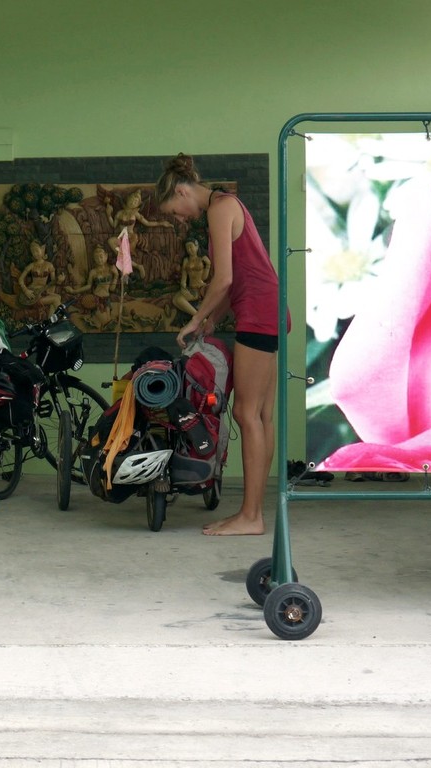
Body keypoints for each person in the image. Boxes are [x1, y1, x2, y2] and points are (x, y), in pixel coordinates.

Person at [155, 153, 283, 536]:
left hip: (258, 312)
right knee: (262, 415)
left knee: (246, 413)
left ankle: (251, 516)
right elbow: (237, 278)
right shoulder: (226, 204)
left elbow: (223, 278)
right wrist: (212, 320)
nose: (180, 219)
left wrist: (195, 318)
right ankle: (254, 511)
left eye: (174, 212)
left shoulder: (219, 207)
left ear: (182, 191)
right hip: (267, 307)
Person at [16, 240, 61, 310]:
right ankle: (62, 315)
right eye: (33, 252)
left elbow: (53, 282)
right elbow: (20, 279)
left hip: (42, 292)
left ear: (43, 249)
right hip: (32, 295)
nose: (35, 254)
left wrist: (59, 281)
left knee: (58, 297)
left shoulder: (49, 265)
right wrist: (26, 291)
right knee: (56, 299)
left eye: (36, 251)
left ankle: (52, 317)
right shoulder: (31, 265)